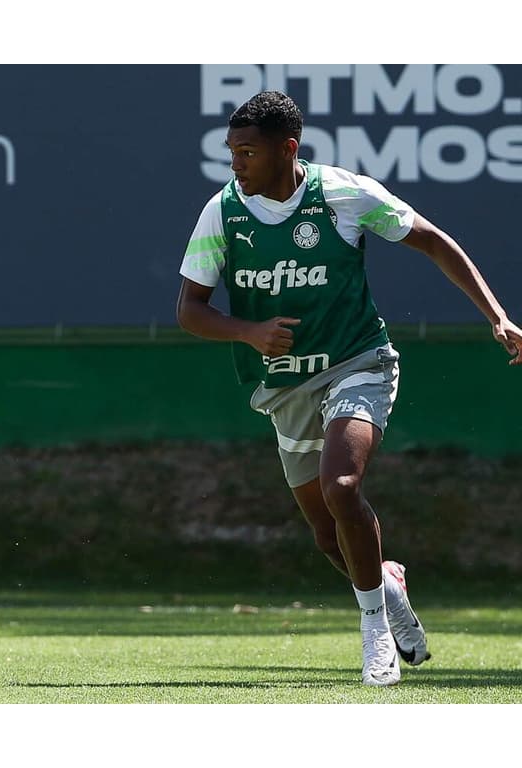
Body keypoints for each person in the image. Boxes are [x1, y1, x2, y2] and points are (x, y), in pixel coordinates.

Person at [176, 90, 522, 686]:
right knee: (326, 533)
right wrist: (249, 331)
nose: (236, 163)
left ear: (289, 149)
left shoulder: (344, 194)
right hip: (285, 388)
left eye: (248, 152)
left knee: (342, 486)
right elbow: (189, 309)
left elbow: (435, 240)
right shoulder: (222, 212)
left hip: (358, 362)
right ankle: (387, 586)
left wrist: (497, 316)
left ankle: (374, 633)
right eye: (232, 151)